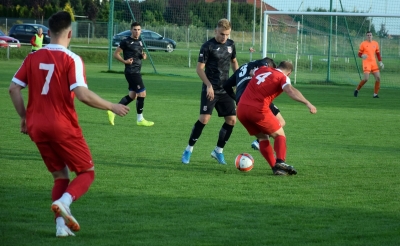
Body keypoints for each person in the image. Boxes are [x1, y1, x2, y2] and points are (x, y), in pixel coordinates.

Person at [8, 11, 129, 237]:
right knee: (87, 172)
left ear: (49, 32)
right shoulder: (71, 58)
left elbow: (14, 88)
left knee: (60, 176)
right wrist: (111, 106)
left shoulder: (32, 57)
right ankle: (65, 202)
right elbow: (82, 94)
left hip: (36, 127)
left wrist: (24, 117)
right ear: (70, 33)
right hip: (62, 126)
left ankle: (60, 227)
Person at [237, 61, 317, 175]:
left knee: (263, 138)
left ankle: (276, 169)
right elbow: (290, 91)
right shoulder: (283, 77)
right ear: (289, 73)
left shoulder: (263, 69)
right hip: (257, 109)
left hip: (241, 109)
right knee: (280, 135)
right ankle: (280, 161)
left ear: (277, 67)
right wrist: (307, 103)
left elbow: (251, 72)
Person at [181, 18, 239, 165]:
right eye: (221, 34)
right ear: (215, 31)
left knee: (232, 120)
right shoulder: (207, 46)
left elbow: (234, 62)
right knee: (204, 119)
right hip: (210, 88)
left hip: (225, 89)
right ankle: (188, 150)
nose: (224, 37)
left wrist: (239, 80)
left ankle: (218, 151)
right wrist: (208, 85)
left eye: (227, 34)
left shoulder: (231, 45)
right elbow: (199, 69)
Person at [223, 57, 286, 151]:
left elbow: (226, 85)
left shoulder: (242, 67)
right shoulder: (263, 63)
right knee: (281, 122)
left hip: (242, 102)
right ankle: (260, 143)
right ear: (268, 66)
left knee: (264, 128)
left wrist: (237, 99)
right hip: (254, 98)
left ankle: (261, 141)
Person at [108, 22, 154, 126]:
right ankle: (140, 119)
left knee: (132, 96)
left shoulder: (140, 41)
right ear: (131, 30)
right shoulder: (126, 41)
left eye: (138, 30)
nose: (137, 32)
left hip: (136, 71)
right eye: (135, 29)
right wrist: (125, 61)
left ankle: (112, 111)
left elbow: (138, 54)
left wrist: (143, 56)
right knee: (142, 93)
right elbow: (116, 54)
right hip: (132, 72)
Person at [354, 31, 384, 98]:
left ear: (372, 36)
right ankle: (357, 90)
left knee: (378, 78)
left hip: (373, 63)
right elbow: (359, 54)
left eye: (370, 35)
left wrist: (380, 62)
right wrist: (362, 56)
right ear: (366, 36)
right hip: (366, 63)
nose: (369, 36)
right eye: (368, 35)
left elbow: (378, 54)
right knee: (366, 79)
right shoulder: (363, 44)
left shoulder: (375, 43)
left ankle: (375, 94)